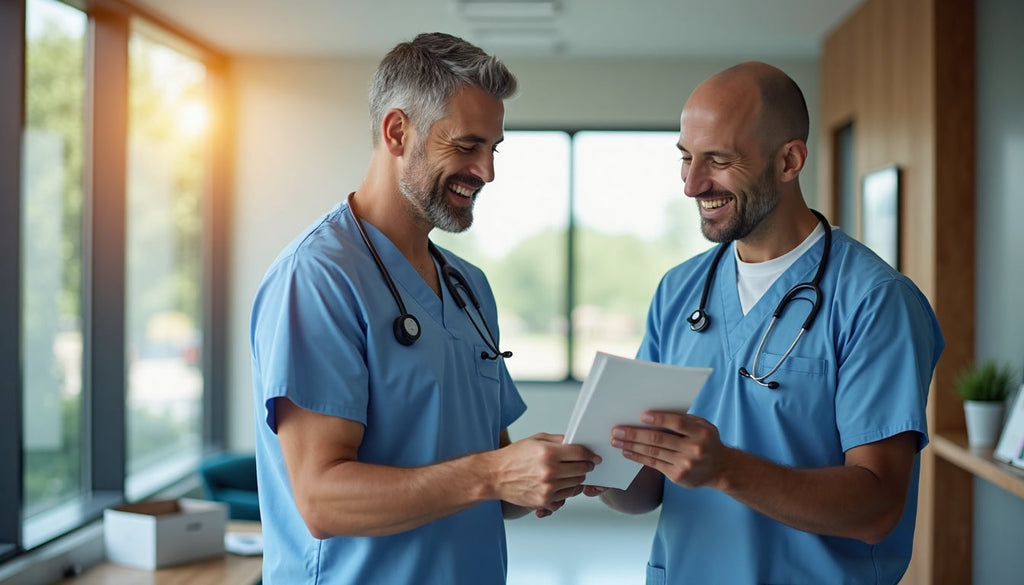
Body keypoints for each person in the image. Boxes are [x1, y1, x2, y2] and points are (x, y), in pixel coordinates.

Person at [249, 32, 598, 585]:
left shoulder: (468, 288)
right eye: (466, 146)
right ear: (397, 132)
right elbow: (321, 501)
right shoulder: (318, 278)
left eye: (493, 149)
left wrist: (540, 476)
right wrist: (494, 475)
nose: (486, 171)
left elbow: (491, 483)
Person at [586, 62, 944, 584]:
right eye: (685, 159)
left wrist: (727, 468)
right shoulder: (679, 291)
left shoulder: (875, 301)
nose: (691, 185)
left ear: (789, 160)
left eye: (719, 160)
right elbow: (647, 491)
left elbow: (877, 509)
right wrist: (603, 472)